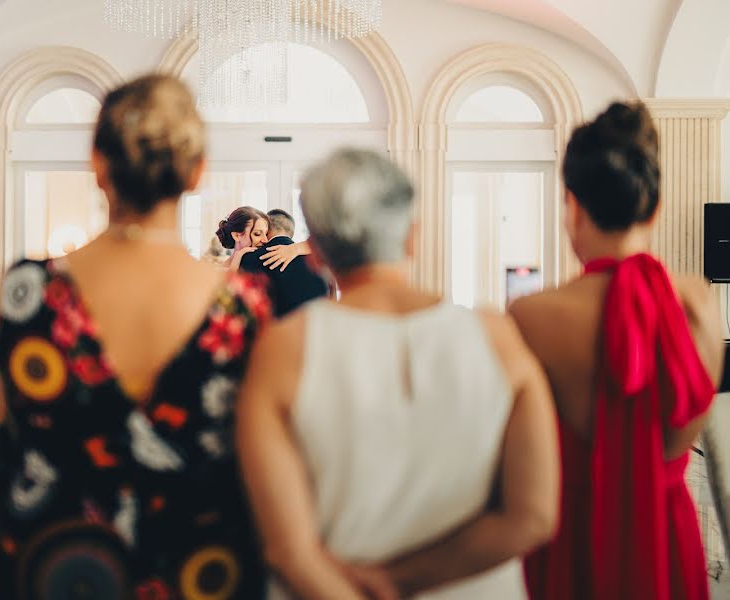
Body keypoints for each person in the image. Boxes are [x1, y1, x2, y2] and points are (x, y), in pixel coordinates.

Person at [0, 74, 271, 599]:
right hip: (199, 570)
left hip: (59, 569)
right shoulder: (245, 305)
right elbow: (261, 461)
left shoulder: (29, 289)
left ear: (98, 166)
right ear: (198, 173)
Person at [237, 149, 559, 600]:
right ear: (413, 237)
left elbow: (288, 550)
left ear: (317, 253)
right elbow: (534, 516)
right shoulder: (498, 339)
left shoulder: (283, 352)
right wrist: (400, 581)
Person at [511, 102, 724, 600]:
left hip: (575, 543)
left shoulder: (531, 316)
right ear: (655, 208)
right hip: (670, 542)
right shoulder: (701, 304)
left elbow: (519, 469)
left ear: (572, 206)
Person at [239, 209, 329, 317]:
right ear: (291, 232)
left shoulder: (248, 258)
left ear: (267, 229)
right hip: (313, 329)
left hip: (271, 331)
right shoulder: (317, 260)